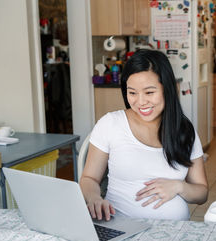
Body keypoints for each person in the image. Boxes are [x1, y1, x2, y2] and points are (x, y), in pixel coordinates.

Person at [80, 49, 208, 221]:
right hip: (121, 226)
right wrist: (94, 198)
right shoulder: (110, 124)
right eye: (132, 93)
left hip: (174, 233)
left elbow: (202, 193)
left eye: (149, 92)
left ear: (167, 89)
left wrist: (179, 187)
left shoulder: (184, 130)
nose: (140, 102)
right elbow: (89, 178)